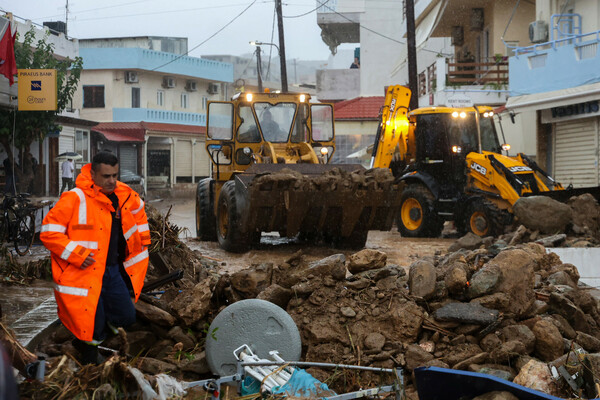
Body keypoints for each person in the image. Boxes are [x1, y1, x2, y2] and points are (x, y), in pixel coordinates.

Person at [40, 151, 151, 365]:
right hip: (84, 273)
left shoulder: (124, 195)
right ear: (93, 174)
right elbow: (48, 232)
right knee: (91, 321)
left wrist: (142, 242)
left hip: (111, 270)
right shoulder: (74, 198)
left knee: (127, 315)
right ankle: (89, 361)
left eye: (115, 176)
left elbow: (139, 212)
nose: (111, 181)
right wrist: (77, 254)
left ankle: (92, 343)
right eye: (106, 176)